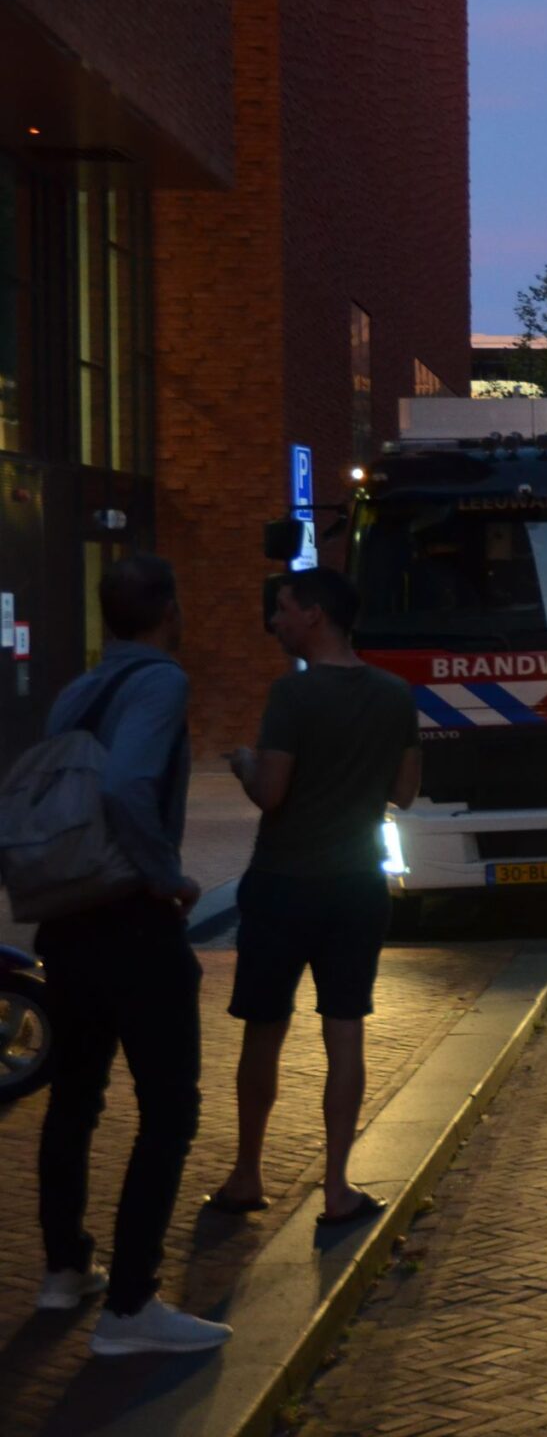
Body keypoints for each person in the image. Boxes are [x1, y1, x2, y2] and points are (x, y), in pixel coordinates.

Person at [31, 554, 233, 1355]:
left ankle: (61, 1272)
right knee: (169, 1112)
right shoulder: (160, 683)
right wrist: (169, 878)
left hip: (70, 920)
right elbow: (125, 787)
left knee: (74, 1099)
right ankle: (130, 1306)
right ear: (169, 611)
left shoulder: (77, 689)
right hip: (131, 924)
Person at [207, 566, 419, 1227]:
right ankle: (336, 1187)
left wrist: (245, 762)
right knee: (345, 1028)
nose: (274, 623)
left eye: (283, 609)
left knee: (264, 1032)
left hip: (284, 885)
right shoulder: (394, 694)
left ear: (315, 616)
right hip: (358, 885)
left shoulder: (291, 698)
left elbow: (272, 793)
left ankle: (248, 1174)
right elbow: (406, 791)